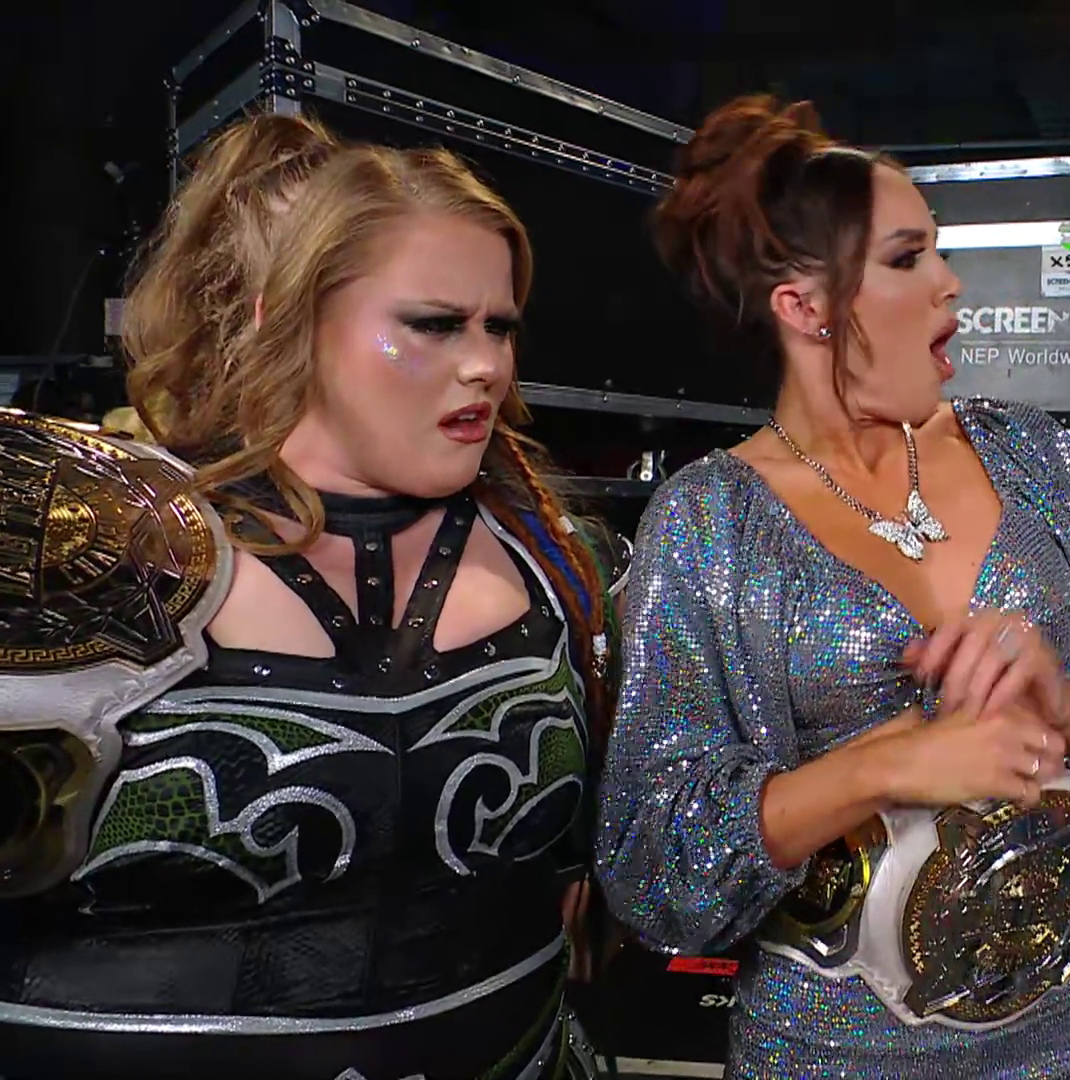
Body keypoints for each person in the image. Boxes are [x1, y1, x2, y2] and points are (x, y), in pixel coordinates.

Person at [0, 111, 620, 1078]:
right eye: (434, 324)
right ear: (283, 318)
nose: (488, 364)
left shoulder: (558, 559)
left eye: (499, 326)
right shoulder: (74, 548)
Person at [595, 96, 1070, 1078]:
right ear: (805, 306)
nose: (952, 283)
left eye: (937, 250)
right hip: (835, 1051)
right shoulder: (709, 521)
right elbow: (656, 866)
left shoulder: (1031, 454)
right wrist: (881, 768)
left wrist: (1068, 701)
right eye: (909, 259)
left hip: (1069, 1030)